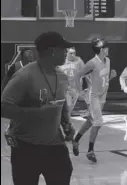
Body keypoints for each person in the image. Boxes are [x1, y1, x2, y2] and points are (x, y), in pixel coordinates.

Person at [1, 31, 76, 185]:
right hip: (26, 148)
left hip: (56, 147)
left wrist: (66, 124)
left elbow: (61, 104)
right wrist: (36, 113)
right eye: (64, 49)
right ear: (52, 50)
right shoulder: (24, 76)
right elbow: (3, 107)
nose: (66, 53)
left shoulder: (62, 77)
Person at [71, 38, 117, 163]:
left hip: (103, 95)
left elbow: (103, 79)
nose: (108, 49)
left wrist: (110, 77)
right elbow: (77, 75)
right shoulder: (92, 63)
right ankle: (90, 151)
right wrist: (79, 91)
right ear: (102, 50)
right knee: (98, 122)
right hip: (94, 96)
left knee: (91, 121)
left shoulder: (108, 61)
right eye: (106, 47)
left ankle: (76, 140)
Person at [59, 47, 85, 116]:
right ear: (66, 53)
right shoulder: (61, 61)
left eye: (74, 53)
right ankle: (66, 120)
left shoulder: (79, 61)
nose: (73, 55)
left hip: (75, 87)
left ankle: (67, 118)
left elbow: (84, 72)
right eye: (71, 53)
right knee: (68, 104)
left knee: (71, 106)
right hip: (65, 87)